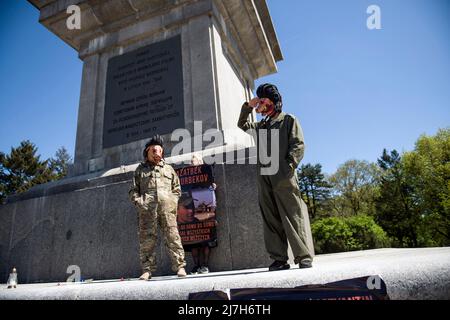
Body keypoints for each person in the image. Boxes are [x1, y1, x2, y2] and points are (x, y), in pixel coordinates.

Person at [237, 83, 313, 271]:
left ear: (272, 101)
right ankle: (279, 259)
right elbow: (242, 124)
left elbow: (298, 145)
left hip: (283, 175)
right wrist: (248, 106)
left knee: (292, 215)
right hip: (264, 177)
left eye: (262, 101)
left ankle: (303, 256)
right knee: (270, 218)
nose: (260, 106)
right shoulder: (261, 125)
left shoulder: (288, 120)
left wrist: (289, 166)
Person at [129, 135, 187, 280]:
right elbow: (133, 190)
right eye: (154, 151)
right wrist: (140, 202)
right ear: (147, 152)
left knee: (173, 237)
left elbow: (177, 188)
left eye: (160, 151)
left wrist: (172, 201)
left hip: (167, 211)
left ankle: (180, 267)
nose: (157, 154)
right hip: (147, 212)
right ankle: (147, 270)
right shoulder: (139, 170)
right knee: (147, 241)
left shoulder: (168, 169)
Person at [188, 153, 217, 274]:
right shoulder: (188, 177)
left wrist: (213, 187)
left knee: (206, 238)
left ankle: (205, 265)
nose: (193, 165)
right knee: (193, 241)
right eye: (192, 163)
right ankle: (196, 265)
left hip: (204, 209)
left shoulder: (206, 174)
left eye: (196, 162)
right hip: (191, 209)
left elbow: (212, 186)